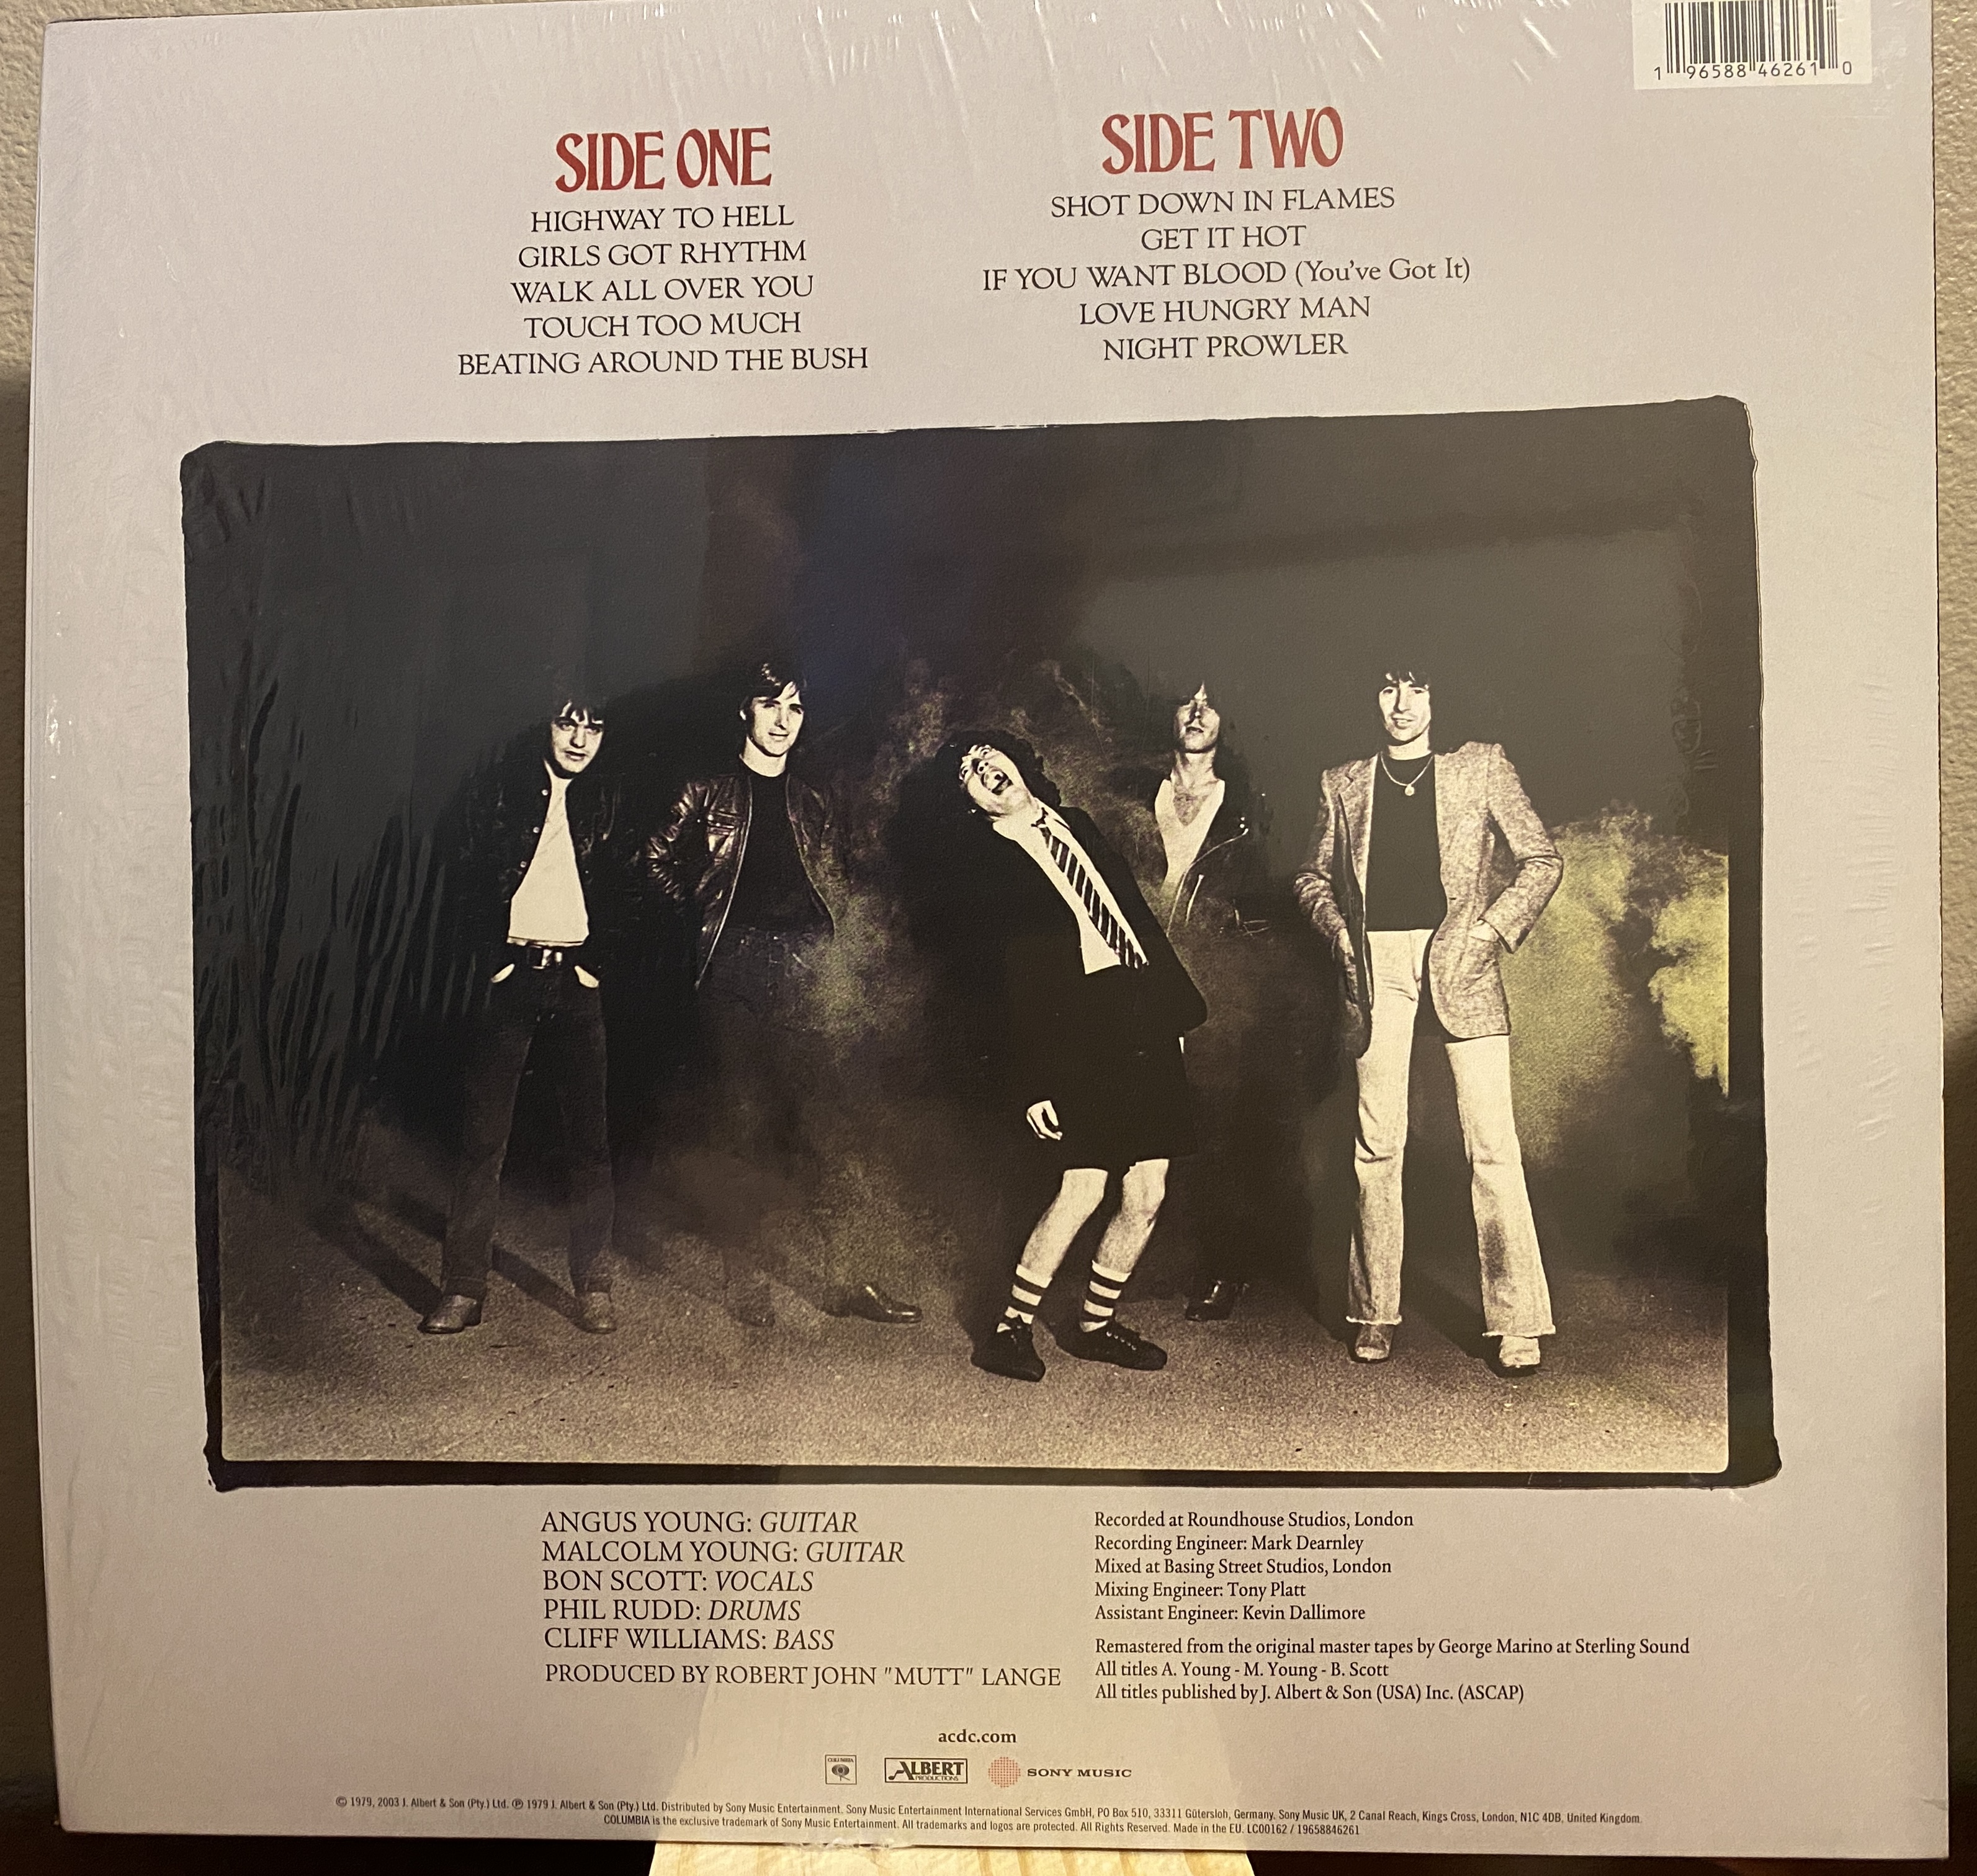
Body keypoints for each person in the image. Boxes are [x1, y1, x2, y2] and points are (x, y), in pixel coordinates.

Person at [1294, 656, 1562, 1374]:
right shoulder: (1343, 782)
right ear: (1372, 699)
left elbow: (1541, 860)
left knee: (1493, 1147)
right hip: (1375, 967)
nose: (1402, 703)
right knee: (1376, 1147)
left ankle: (1517, 1322)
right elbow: (1311, 876)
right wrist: (1340, 934)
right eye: (1388, 687)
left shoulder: (1482, 767)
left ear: (1440, 697)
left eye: (1417, 687)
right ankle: (1373, 1312)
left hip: (1462, 962)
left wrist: (1491, 932)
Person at [642, 658, 923, 1329]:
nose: (783, 720)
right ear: (746, 710)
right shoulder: (705, 792)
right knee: (743, 1125)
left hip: (805, 970)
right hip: (735, 968)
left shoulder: (812, 802)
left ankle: (850, 1280)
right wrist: (702, 914)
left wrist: (835, 955)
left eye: (795, 708)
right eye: (771, 704)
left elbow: (835, 883)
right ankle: (744, 1280)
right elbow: (651, 859)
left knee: (828, 1128)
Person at [946, 731, 1208, 1383]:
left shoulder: (1077, 824)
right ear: (971, 802)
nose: (985, 768)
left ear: (1019, 762)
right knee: (1084, 1184)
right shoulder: (982, 865)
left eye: (990, 755)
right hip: (1075, 1025)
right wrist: (1032, 1084)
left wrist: (1171, 1011)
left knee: (1147, 1189)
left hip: (1140, 1004)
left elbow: (1134, 916)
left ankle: (1094, 1326)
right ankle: (1009, 1329)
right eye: (969, 771)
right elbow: (1001, 987)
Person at [422, 696, 628, 1336]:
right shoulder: (502, 793)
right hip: (512, 979)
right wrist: (492, 962)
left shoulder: (610, 801)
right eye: (568, 723)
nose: (580, 738)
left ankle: (594, 1287)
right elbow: (461, 878)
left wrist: (598, 964)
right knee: (483, 1141)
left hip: (578, 983)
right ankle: (463, 1289)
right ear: (545, 725)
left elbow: (630, 890)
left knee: (589, 1143)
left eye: (593, 726)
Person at [1113, 683, 1283, 1322]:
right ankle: (1134, 1257)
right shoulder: (1131, 794)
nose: (1197, 711)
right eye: (1187, 699)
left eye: (1211, 703)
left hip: (1215, 979)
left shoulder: (1248, 807)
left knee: (1213, 1125)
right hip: (1135, 973)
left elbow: (1267, 902)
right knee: (1137, 1116)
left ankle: (1222, 1267)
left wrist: (1235, 962)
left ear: (1225, 720)